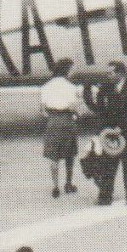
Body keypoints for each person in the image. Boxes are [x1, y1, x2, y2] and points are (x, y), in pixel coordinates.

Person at [84, 60, 127, 205]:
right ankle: (105, 197)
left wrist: (121, 128)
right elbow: (100, 110)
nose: (107, 75)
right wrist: (87, 93)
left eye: (110, 73)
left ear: (120, 73)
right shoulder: (106, 87)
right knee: (108, 166)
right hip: (110, 134)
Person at [40, 58, 81, 198]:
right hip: (67, 121)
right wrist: (76, 115)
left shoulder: (46, 86)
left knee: (53, 156)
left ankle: (55, 186)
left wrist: (52, 116)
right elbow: (73, 107)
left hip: (53, 121)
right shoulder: (71, 87)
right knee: (70, 154)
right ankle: (68, 183)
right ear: (67, 70)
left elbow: (43, 110)